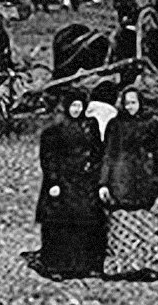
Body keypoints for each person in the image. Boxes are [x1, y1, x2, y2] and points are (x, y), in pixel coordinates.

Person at [99, 86, 158, 279]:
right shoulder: (115, 124)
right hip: (121, 178)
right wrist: (103, 182)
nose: (130, 107)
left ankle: (144, 265)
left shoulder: (151, 124)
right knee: (120, 222)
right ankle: (120, 266)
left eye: (133, 102)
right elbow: (107, 154)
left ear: (140, 103)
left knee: (144, 223)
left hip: (143, 178)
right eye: (126, 103)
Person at [33, 91, 107, 278]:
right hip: (64, 180)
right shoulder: (55, 128)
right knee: (60, 222)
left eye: (80, 106)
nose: (76, 110)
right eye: (73, 106)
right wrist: (53, 181)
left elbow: (97, 151)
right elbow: (48, 157)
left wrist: (95, 173)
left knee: (88, 220)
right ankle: (57, 266)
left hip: (85, 181)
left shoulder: (90, 125)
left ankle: (87, 264)